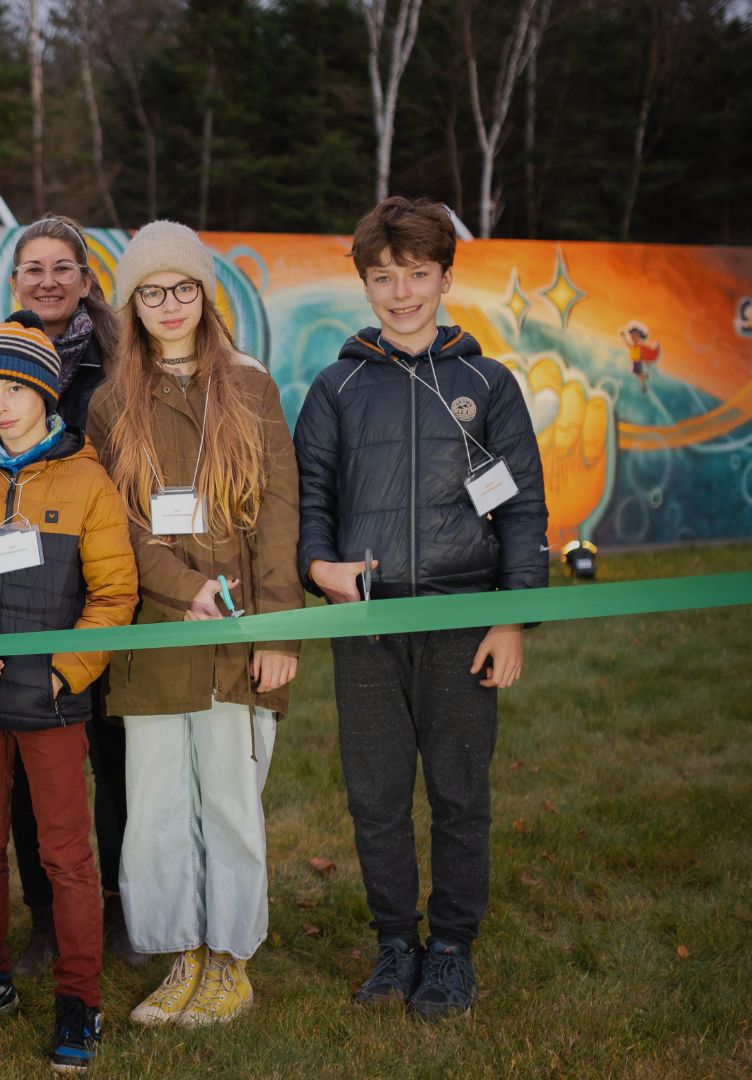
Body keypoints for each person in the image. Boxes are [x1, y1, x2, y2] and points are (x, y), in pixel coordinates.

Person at [294, 195, 548, 1022]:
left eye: (416, 274)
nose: (401, 292)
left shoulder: (488, 383)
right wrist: (317, 567)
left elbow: (522, 511)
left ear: (444, 276)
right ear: (364, 283)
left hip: (462, 620)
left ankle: (452, 950)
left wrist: (511, 618)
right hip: (367, 624)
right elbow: (313, 500)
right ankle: (396, 942)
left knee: (459, 790)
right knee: (374, 792)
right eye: (383, 277)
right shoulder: (335, 387)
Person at [86, 221, 302, 1026]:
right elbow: (113, 527)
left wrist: (279, 632)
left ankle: (230, 962)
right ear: (132, 306)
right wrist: (184, 588)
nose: (169, 305)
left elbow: (280, 514)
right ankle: (180, 954)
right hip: (155, 639)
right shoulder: (111, 404)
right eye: (151, 292)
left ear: (203, 297)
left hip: (240, 639)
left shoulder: (252, 388)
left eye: (182, 289)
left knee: (231, 807)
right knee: (158, 811)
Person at [0, 312, 138, 1073]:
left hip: (49, 701)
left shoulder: (87, 481)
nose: (1, 406)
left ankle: (81, 998)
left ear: (46, 393)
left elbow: (115, 596)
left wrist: (62, 673)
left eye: (16, 390)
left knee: (65, 854)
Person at [0, 214, 135, 973]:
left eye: (64, 266)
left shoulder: (90, 464)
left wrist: (64, 671)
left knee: (77, 823)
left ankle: (87, 975)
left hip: (59, 671)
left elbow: (114, 590)